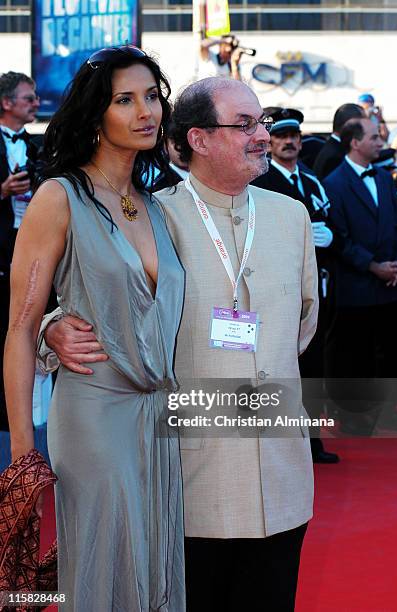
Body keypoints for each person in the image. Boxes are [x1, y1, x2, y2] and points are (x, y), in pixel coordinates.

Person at [39, 77, 319, 612]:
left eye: (261, 122)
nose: (262, 134)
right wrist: (54, 326)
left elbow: (302, 326)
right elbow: (91, 298)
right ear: (199, 138)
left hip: (283, 477)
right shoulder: (149, 215)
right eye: (245, 125)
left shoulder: (291, 217)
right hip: (186, 482)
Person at [4, 46, 186, 611]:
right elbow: (18, 326)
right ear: (94, 113)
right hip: (93, 409)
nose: (145, 112)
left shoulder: (156, 206)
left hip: (159, 414)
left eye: (152, 97)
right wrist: (23, 458)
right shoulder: (59, 197)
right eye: (124, 100)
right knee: (108, 558)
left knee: (155, 561)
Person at [252, 107, 339, 463]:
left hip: (317, 285)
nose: (289, 143)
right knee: (281, 365)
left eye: (295, 137)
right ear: (270, 142)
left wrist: (332, 237)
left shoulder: (313, 180)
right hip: (278, 289)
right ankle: (281, 441)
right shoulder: (261, 180)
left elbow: (333, 223)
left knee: (314, 365)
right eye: (282, 137)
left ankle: (313, 440)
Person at [323, 118, 397, 433]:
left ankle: (388, 410)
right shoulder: (333, 183)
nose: (381, 142)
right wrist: (374, 266)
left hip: (392, 285)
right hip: (357, 287)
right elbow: (340, 238)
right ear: (355, 143)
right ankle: (352, 415)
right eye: (374, 137)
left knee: (392, 353)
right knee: (354, 355)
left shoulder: (385, 178)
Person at [0, 71, 42, 432]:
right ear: (6, 103)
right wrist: (2, 191)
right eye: (29, 98)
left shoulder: (35, 146)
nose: (36, 104)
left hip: (30, 247)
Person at [313, 102, 365, 180]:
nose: (364, 129)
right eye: (361, 125)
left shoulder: (335, 148)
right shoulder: (335, 157)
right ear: (347, 125)